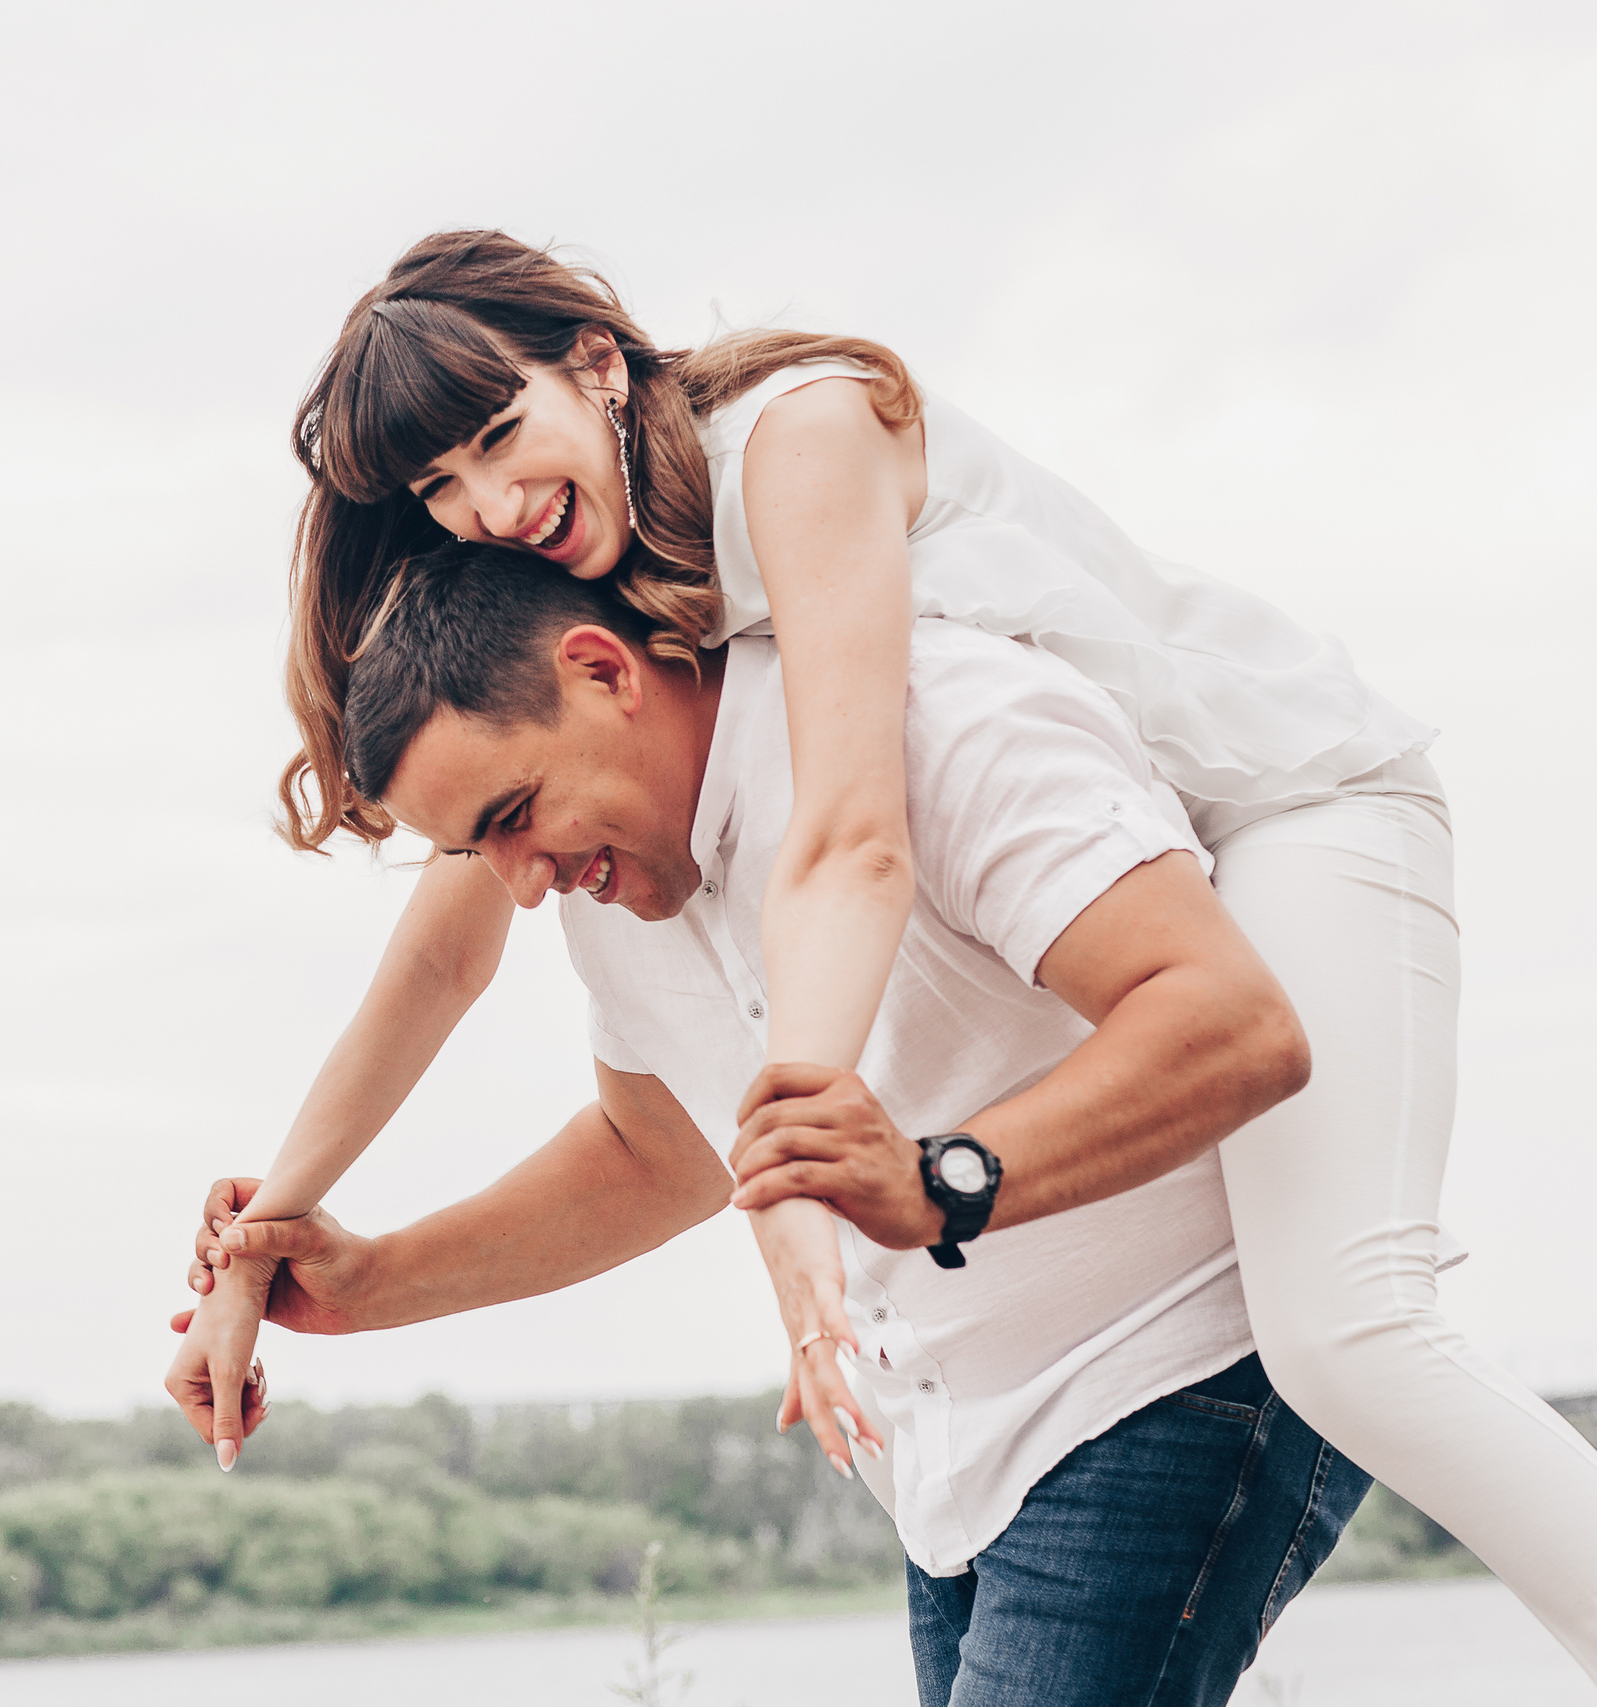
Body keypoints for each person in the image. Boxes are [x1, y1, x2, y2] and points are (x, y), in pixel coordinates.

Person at [177, 229, 1597, 1671]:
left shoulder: (789, 443)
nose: (485, 507)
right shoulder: (579, 615)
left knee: (1346, 1331)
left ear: (596, 360)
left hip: (1290, 793)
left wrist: (820, 1178)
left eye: (496, 438)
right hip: (1115, 863)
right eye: (438, 489)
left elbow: (853, 835)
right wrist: (265, 1234)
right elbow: (443, 960)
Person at [177, 545, 1364, 1704]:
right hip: (948, 1470)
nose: (522, 884)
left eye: (516, 812)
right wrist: (371, 1284)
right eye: (475, 848)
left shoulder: (938, 723)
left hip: (1166, 1375)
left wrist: (942, 1182)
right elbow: (657, 1156)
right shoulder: (606, 896)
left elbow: (1230, 1023)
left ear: (602, 670)